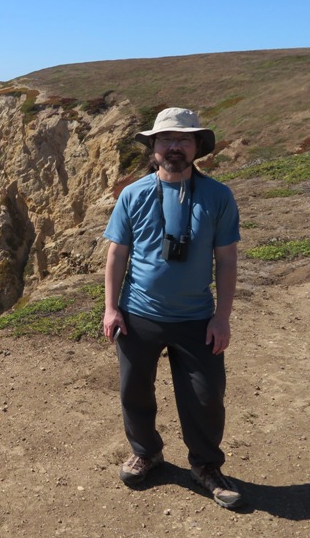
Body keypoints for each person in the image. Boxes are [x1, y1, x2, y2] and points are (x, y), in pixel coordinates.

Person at [102, 107, 244, 509]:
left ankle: (206, 466)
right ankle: (146, 452)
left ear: (198, 145)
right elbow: (117, 254)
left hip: (196, 318)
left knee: (205, 396)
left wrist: (222, 317)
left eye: (183, 139)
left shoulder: (218, 195)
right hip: (137, 314)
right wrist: (111, 308)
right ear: (154, 146)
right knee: (134, 391)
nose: (174, 146)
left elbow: (227, 260)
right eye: (165, 139)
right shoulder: (133, 194)